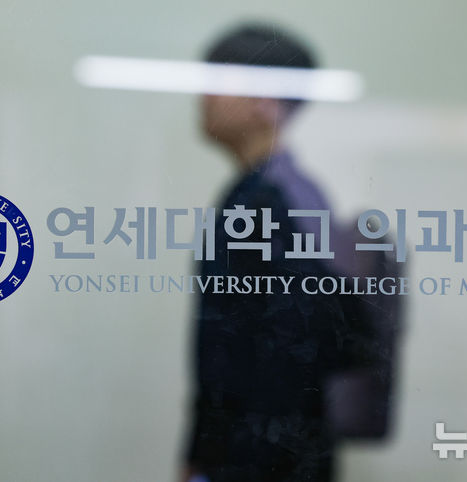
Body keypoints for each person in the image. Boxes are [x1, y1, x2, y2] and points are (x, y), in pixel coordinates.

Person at [182, 23, 347, 482]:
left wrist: (210, 458)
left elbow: (279, 360)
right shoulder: (275, 192)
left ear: (266, 100)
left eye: (220, 80)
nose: (204, 96)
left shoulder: (271, 200)